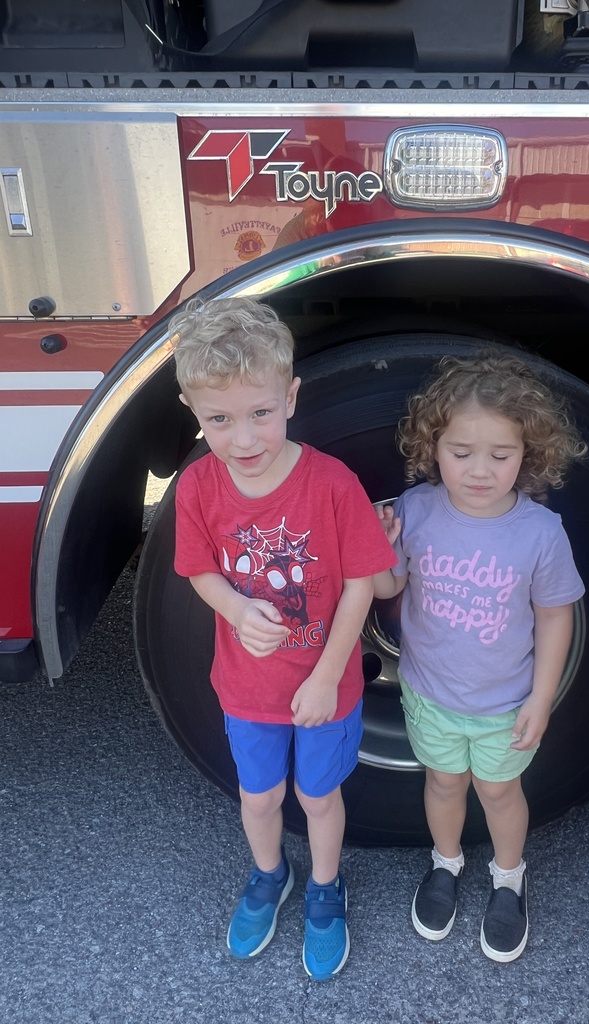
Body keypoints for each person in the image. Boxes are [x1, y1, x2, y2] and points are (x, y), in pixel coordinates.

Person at [170, 296, 397, 981]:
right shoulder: (197, 487)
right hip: (247, 687)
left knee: (318, 797)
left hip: (327, 684)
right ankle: (270, 875)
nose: (244, 438)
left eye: (260, 413)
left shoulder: (331, 484)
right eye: (220, 419)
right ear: (193, 411)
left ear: (291, 396)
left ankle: (325, 888)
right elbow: (200, 571)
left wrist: (329, 675)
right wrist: (238, 611)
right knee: (260, 796)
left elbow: (364, 582)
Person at [373, 350, 586, 961]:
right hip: (429, 692)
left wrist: (542, 698)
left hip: (505, 703)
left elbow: (555, 614)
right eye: (461, 452)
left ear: (529, 453)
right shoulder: (416, 510)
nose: (480, 470)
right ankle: (446, 864)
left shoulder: (540, 531)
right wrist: (383, 548)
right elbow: (389, 589)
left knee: (497, 792)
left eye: (502, 455)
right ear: (432, 446)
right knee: (443, 782)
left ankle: (508, 878)